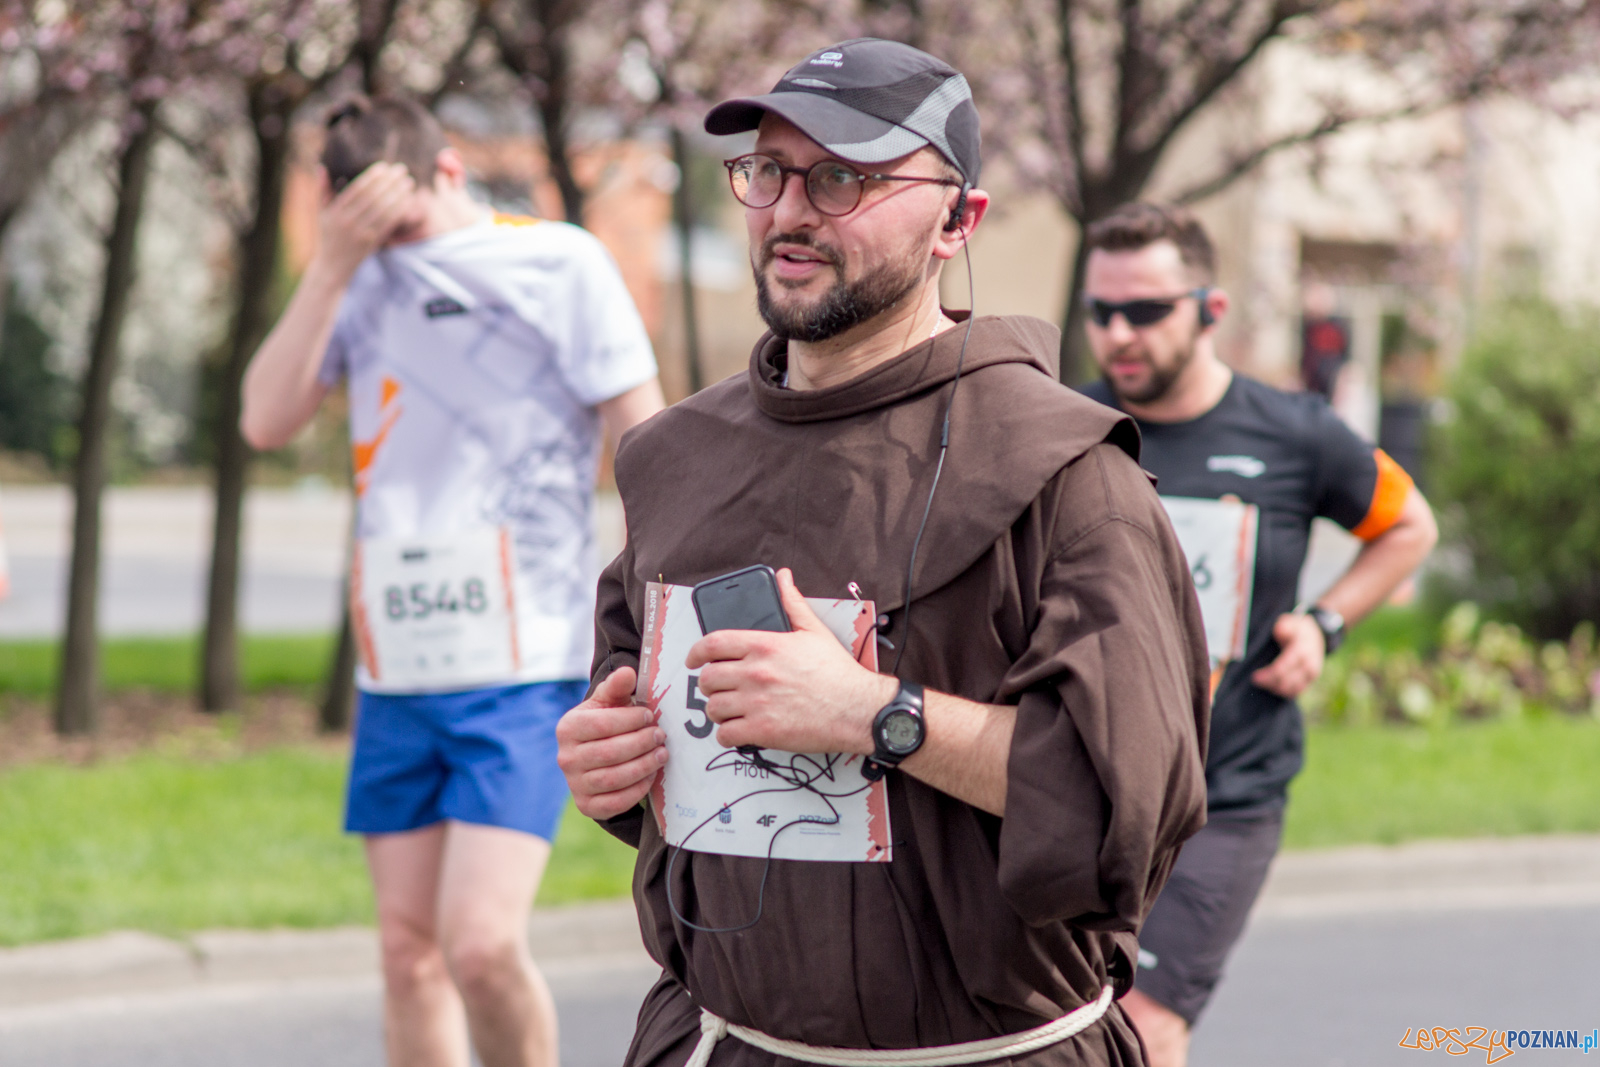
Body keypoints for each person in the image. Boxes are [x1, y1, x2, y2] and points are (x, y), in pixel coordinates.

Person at [556, 38, 1210, 1067]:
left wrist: (874, 713)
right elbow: (646, 729)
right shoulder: (672, 457)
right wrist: (610, 762)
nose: (790, 210)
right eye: (768, 171)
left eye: (845, 177)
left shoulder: (1068, 472)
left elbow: (1121, 807)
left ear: (960, 219)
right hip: (721, 1043)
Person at [239, 94, 664, 1067]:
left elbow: (643, 440)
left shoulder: (555, 261)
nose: (399, 247)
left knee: (478, 941)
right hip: (400, 660)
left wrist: (649, 598)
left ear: (449, 170)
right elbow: (264, 418)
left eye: (406, 222)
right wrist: (337, 258)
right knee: (406, 951)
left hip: (522, 654)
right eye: (368, 228)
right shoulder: (353, 274)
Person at [1078, 202, 1438, 1067]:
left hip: (1223, 793)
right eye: (1101, 312)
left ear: (1211, 309)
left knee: (1145, 1026)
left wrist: (1323, 622)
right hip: (1086, 787)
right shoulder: (1067, 427)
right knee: (1065, 1026)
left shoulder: (1296, 433)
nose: (1120, 333)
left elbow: (1409, 525)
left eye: (1148, 309)